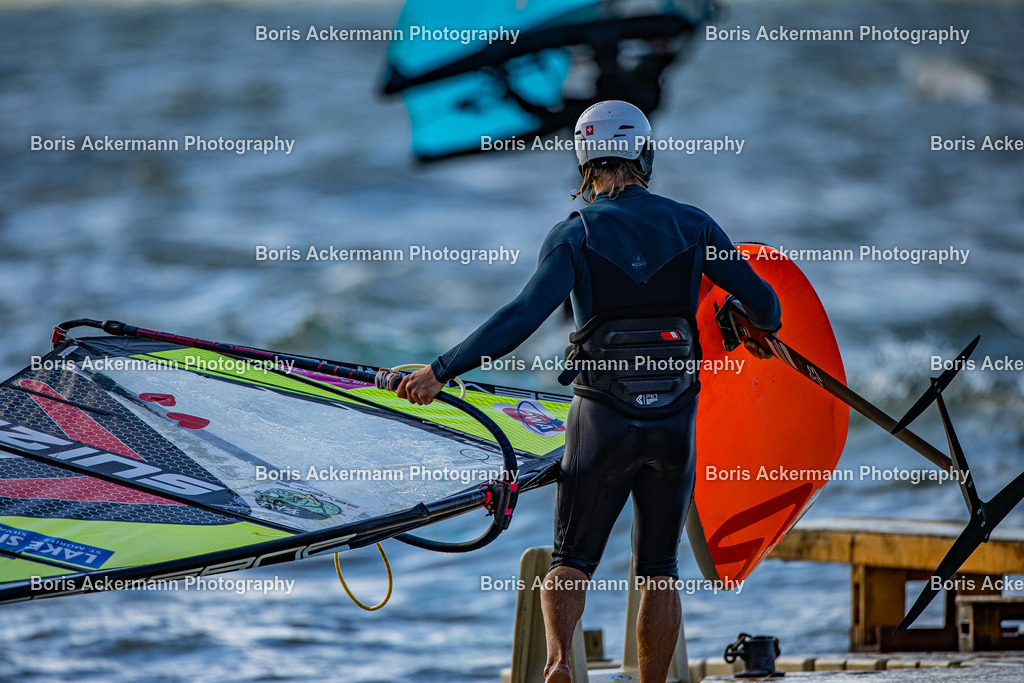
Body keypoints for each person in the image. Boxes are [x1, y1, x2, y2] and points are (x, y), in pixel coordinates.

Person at [397, 101, 781, 683]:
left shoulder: (576, 233)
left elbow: (523, 316)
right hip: (675, 419)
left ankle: (557, 663)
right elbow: (769, 306)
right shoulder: (695, 225)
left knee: (571, 559)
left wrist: (442, 370)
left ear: (584, 160)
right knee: (659, 569)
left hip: (603, 416)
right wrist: (742, 317)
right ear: (644, 154)